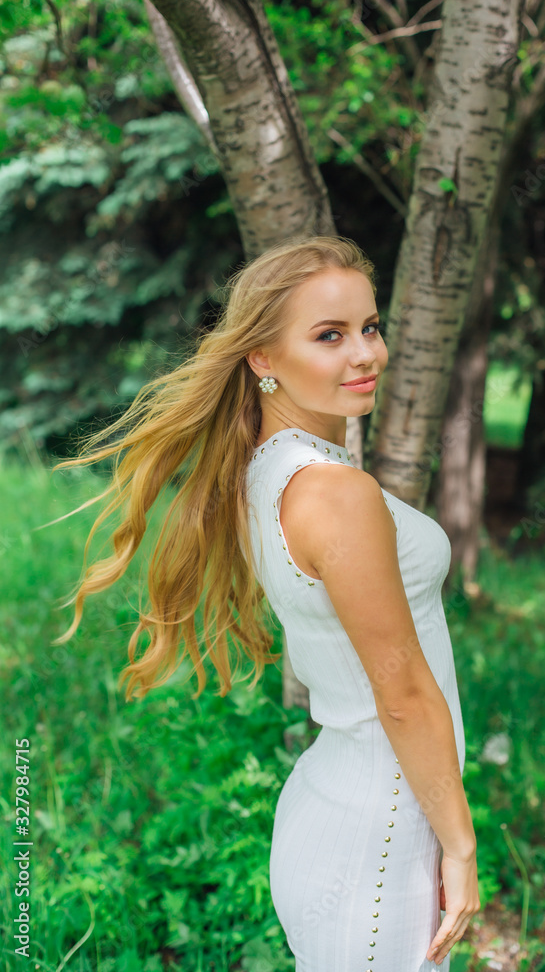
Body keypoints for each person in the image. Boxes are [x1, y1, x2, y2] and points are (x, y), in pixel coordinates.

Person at [54, 234, 480, 971]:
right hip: (380, 837)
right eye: (329, 336)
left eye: (369, 327)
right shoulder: (333, 493)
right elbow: (403, 692)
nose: (365, 355)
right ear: (262, 358)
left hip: (336, 809)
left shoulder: (269, 469)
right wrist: (461, 847)